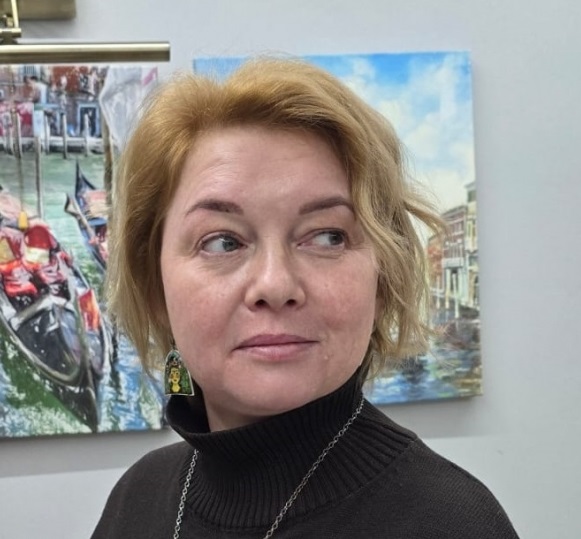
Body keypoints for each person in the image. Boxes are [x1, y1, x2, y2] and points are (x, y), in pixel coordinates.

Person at [92, 57, 519, 538]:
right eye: (223, 242)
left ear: (383, 278)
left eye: (328, 237)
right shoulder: (137, 499)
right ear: (155, 286)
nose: (275, 285)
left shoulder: (455, 523)